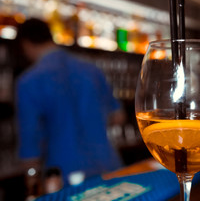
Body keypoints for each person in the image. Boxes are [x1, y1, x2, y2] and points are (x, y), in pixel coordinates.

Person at [15, 18, 125, 194]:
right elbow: (118, 117)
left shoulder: (28, 82)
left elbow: (30, 151)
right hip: (110, 168)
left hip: (64, 178)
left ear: (26, 44)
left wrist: (33, 188)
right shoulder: (91, 70)